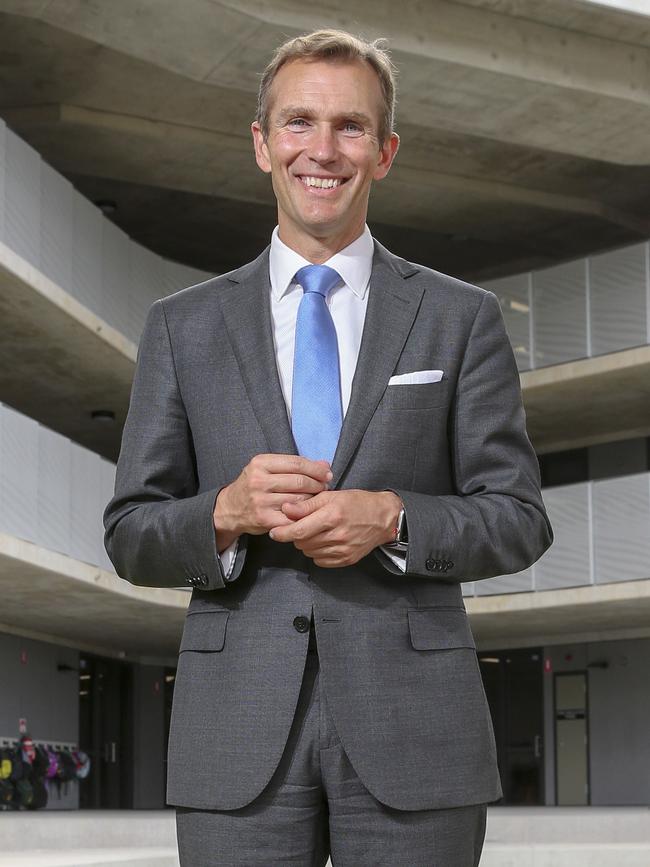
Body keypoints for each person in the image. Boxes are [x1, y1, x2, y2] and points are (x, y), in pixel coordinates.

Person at [104, 29, 552, 867]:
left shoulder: (461, 319)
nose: (323, 149)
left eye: (351, 127)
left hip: (417, 729)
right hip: (235, 733)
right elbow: (132, 532)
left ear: (384, 153)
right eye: (299, 122)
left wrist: (394, 517)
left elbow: (519, 518)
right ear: (262, 143)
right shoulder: (182, 327)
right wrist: (227, 515)